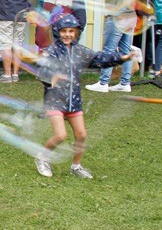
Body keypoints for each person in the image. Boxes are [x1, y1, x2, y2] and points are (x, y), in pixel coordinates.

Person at [34, 14, 134, 179]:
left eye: (71, 31)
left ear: (76, 33)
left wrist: (121, 58)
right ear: (57, 32)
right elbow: (41, 70)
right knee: (61, 135)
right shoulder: (51, 52)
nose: (67, 34)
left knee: (81, 135)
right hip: (55, 100)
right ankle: (42, 157)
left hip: (74, 101)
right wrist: (51, 76)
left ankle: (76, 166)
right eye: (64, 31)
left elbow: (99, 58)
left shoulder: (80, 51)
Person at [86, 0, 141, 93]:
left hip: (117, 17)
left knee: (109, 50)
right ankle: (125, 82)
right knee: (125, 50)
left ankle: (103, 83)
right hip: (131, 16)